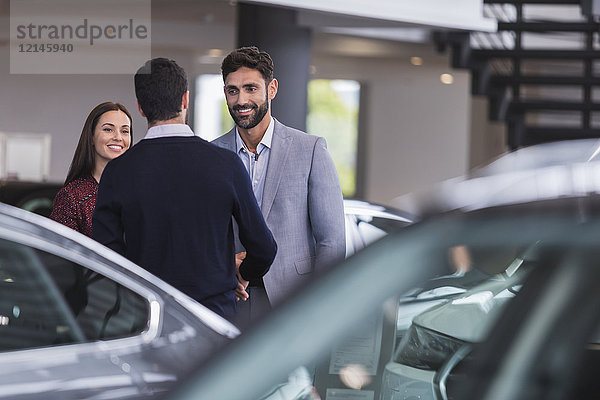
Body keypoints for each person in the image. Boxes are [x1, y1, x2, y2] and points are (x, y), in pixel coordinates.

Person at [92, 57, 277, 321]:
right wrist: (239, 275)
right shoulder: (225, 164)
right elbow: (264, 248)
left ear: (140, 108)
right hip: (213, 319)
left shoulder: (118, 172)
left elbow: (105, 256)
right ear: (186, 100)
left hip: (145, 318)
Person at [212, 46, 345, 326]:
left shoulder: (310, 149)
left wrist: (313, 304)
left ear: (271, 89)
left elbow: (332, 241)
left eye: (250, 88)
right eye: (232, 90)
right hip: (229, 297)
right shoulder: (212, 155)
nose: (241, 100)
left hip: (291, 303)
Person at [50, 102, 132, 237]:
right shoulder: (72, 198)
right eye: (108, 129)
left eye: (125, 131)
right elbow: (60, 254)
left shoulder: (139, 190)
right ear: (91, 137)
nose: (118, 137)